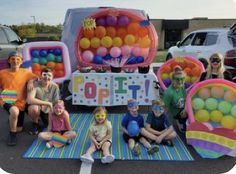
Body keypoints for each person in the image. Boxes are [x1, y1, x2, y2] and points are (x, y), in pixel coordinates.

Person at [0, 51, 37, 146]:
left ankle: (34, 123)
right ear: (9, 60)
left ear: (21, 61)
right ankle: (12, 134)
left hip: (22, 101)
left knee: (20, 128)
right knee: (14, 112)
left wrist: (31, 82)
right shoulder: (2, 73)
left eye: (18, 59)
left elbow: (36, 78)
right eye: (12, 59)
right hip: (7, 99)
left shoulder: (25, 72)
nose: (15, 61)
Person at [27, 68, 60, 135]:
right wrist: (47, 103)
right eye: (44, 75)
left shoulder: (55, 86)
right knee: (33, 108)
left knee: (54, 125)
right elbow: (29, 99)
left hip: (49, 109)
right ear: (41, 76)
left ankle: (45, 120)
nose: (46, 77)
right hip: (39, 107)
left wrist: (56, 112)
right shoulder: (35, 85)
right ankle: (35, 123)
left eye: (49, 75)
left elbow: (56, 101)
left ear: (52, 77)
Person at [163, 65, 187, 133]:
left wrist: (185, 109)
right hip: (176, 111)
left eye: (182, 79)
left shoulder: (182, 87)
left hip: (184, 108)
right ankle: (179, 121)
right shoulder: (169, 93)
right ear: (173, 80)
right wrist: (162, 120)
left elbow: (185, 99)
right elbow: (165, 107)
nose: (180, 82)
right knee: (183, 130)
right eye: (177, 80)